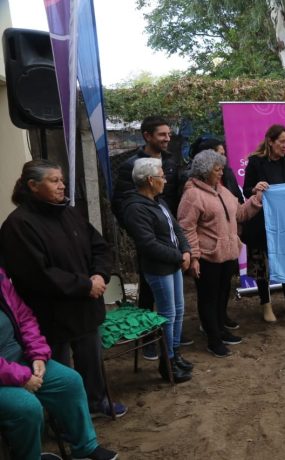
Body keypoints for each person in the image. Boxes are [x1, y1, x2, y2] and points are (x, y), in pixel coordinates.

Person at [0, 159, 126, 418]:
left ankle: (96, 403)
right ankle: (64, 417)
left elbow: (99, 246)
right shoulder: (18, 225)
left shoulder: (68, 212)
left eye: (61, 180)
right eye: (54, 180)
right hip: (52, 314)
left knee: (91, 360)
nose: (62, 186)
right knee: (59, 367)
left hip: (86, 306)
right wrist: (84, 285)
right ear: (34, 185)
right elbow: (37, 274)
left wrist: (99, 275)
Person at [0, 265, 118, 460]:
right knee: (27, 408)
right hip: (8, 374)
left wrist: (37, 354)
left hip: (20, 359)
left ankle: (85, 449)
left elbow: (23, 315)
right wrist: (21, 377)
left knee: (69, 382)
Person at [111, 116, 193, 355]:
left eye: (169, 134)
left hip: (168, 231)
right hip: (150, 238)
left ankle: (171, 346)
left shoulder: (169, 160)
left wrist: (180, 242)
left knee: (175, 305)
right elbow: (121, 203)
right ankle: (150, 342)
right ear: (147, 136)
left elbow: (174, 192)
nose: (168, 139)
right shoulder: (131, 166)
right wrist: (140, 232)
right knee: (150, 293)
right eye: (162, 135)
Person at [177, 150, 265, 358]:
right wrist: (194, 256)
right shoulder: (192, 195)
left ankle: (221, 331)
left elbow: (240, 214)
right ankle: (213, 340)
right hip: (207, 257)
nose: (221, 172)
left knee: (222, 295)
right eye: (217, 169)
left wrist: (256, 199)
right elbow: (186, 228)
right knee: (208, 298)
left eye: (221, 168)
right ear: (205, 171)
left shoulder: (223, 191)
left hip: (227, 254)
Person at [122, 158, 193, 382]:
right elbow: (148, 244)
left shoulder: (158, 201)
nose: (165, 180)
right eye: (162, 176)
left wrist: (187, 250)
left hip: (173, 264)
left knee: (178, 311)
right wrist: (178, 256)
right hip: (159, 268)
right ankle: (167, 361)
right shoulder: (135, 208)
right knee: (167, 315)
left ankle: (176, 354)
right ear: (150, 180)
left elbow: (177, 228)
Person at [242, 124, 285, 323]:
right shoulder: (255, 162)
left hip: (284, 222)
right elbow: (246, 191)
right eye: (281, 142)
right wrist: (256, 188)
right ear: (270, 141)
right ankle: (266, 305)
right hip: (261, 224)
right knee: (263, 266)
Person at [185, 137, 244, 204]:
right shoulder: (191, 185)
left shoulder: (227, 173)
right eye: (221, 155)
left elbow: (239, 202)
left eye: (224, 154)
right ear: (208, 156)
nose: (224, 158)